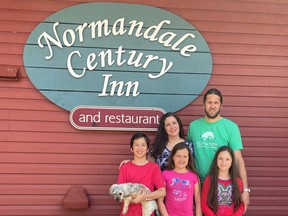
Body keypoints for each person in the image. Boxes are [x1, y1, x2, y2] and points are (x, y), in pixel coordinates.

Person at [187, 88, 250, 212]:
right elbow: (190, 156)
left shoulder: (231, 127)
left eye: (216, 103)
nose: (212, 106)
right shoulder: (193, 126)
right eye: (209, 102)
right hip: (199, 185)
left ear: (221, 106)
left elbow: (238, 160)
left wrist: (246, 190)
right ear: (203, 105)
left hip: (224, 186)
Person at [117, 132, 166, 216]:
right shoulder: (125, 167)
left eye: (143, 145)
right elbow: (118, 193)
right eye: (136, 145)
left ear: (147, 149)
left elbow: (162, 192)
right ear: (131, 148)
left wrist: (144, 197)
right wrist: (134, 200)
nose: (140, 148)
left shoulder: (154, 168)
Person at [158, 142, 202, 216]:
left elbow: (198, 203)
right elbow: (160, 201)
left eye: (185, 156)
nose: (181, 159)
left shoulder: (194, 176)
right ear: (173, 157)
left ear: (189, 158)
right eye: (178, 156)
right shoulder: (165, 174)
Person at [201, 146, 244, 216]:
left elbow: (241, 205)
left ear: (232, 161)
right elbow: (204, 204)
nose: (223, 162)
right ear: (216, 160)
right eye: (220, 158)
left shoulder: (238, 181)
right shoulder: (209, 180)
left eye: (227, 159)